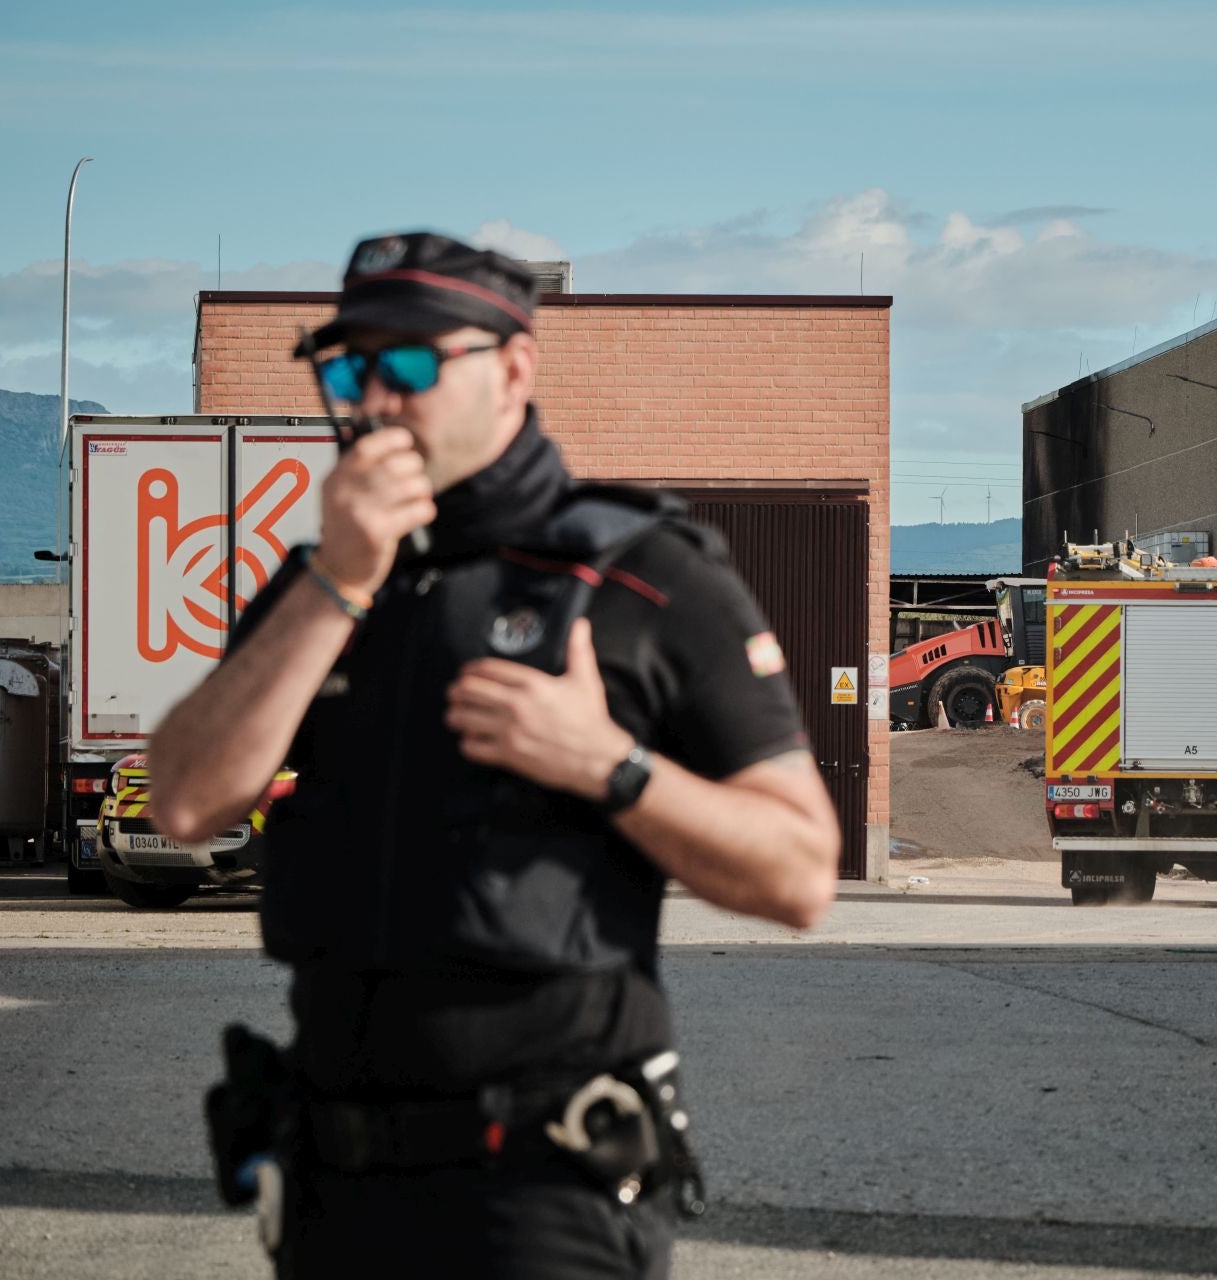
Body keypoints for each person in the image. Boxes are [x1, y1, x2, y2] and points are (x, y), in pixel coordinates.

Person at [152, 231, 841, 1278]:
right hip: (332, 1185)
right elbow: (186, 800)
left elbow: (801, 871)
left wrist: (609, 763)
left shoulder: (646, 577)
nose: (376, 397)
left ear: (515, 369)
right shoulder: (323, 581)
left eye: (415, 363)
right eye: (351, 367)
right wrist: (338, 581)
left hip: (543, 1190)